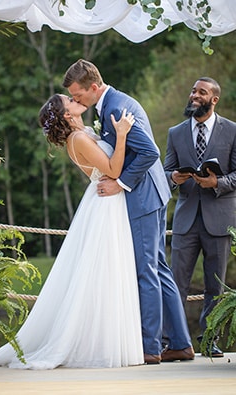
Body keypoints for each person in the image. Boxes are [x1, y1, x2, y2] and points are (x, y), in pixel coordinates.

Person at [0, 94, 145, 369]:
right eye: (69, 99)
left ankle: (107, 341)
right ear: (66, 114)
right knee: (105, 270)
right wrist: (122, 135)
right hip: (106, 203)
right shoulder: (77, 140)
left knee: (107, 271)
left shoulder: (84, 133)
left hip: (109, 201)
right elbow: (113, 169)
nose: (74, 98)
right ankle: (101, 346)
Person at [63, 59, 194, 364]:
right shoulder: (111, 104)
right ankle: (180, 343)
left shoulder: (116, 108)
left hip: (143, 197)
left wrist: (121, 183)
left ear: (93, 87)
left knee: (146, 270)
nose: (77, 100)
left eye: (78, 95)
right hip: (152, 194)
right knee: (158, 269)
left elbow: (150, 152)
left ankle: (150, 347)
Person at [164, 77, 236, 357]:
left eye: (201, 92)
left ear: (214, 99)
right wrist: (173, 176)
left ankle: (209, 341)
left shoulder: (232, 130)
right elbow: (166, 171)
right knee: (175, 282)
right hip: (185, 219)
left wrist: (217, 184)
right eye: (193, 90)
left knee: (214, 285)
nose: (194, 95)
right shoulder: (175, 132)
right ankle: (173, 342)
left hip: (219, 219)